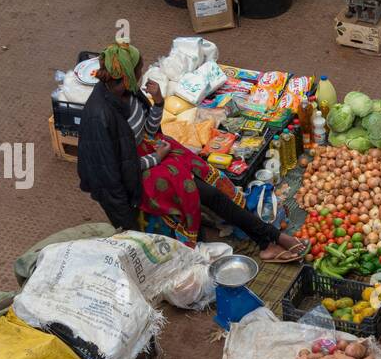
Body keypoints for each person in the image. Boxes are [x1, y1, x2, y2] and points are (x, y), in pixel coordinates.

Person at [77, 42, 306, 260]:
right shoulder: (100, 117)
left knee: (210, 185)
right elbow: (116, 169)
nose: (143, 71)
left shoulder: (131, 91)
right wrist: (156, 158)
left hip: (152, 152)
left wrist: (157, 103)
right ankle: (270, 239)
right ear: (129, 73)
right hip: (134, 175)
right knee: (197, 192)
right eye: (141, 67)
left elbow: (149, 130)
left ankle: (269, 240)